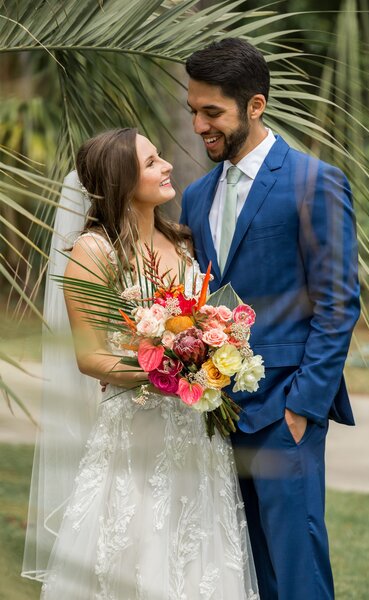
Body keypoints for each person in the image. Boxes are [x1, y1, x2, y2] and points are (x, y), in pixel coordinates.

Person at [22, 128, 259, 599]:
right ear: (120, 180)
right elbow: (90, 357)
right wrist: (171, 370)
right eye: (151, 162)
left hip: (193, 430)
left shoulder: (181, 241)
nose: (167, 165)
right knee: (135, 553)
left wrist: (213, 357)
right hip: (136, 433)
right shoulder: (94, 252)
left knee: (197, 557)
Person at [180, 38, 360, 600]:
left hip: (287, 413)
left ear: (255, 106)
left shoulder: (314, 181)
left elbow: (338, 304)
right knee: (241, 571)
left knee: (297, 571)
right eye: (193, 111)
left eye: (213, 113)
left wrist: (302, 409)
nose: (199, 126)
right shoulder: (193, 196)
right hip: (216, 416)